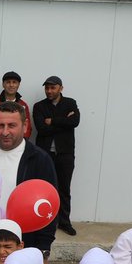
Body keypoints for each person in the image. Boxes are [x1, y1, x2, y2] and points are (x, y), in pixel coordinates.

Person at [0, 102, 57, 255]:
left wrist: (43, 249)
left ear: (25, 125)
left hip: (21, 246)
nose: (5, 132)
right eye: (0, 125)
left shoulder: (39, 160)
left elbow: (49, 206)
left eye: (12, 125)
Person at [32, 76, 81, 236]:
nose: (49, 91)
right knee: (44, 189)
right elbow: (41, 129)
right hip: (45, 155)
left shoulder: (70, 103)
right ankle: (43, 221)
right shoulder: (39, 106)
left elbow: (74, 122)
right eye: (47, 88)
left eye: (53, 88)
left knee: (64, 189)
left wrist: (52, 121)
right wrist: (63, 122)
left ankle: (64, 222)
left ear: (61, 88)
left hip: (65, 154)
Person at [0, 72, 31, 144]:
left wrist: (18, 144)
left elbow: (27, 128)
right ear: (3, 84)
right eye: (8, 82)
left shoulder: (23, 105)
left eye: (14, 82)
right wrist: (2, 143)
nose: (11, 85)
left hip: (17, 146)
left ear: (18, 85)